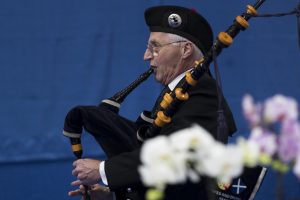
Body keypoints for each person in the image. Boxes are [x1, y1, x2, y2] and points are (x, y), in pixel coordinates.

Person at [68, 5, 236, 200]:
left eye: (155, 48)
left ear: (186, 50)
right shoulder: (178, 93)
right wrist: (112, 195)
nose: (146, 56)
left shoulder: (203, 92)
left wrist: (104, 170)